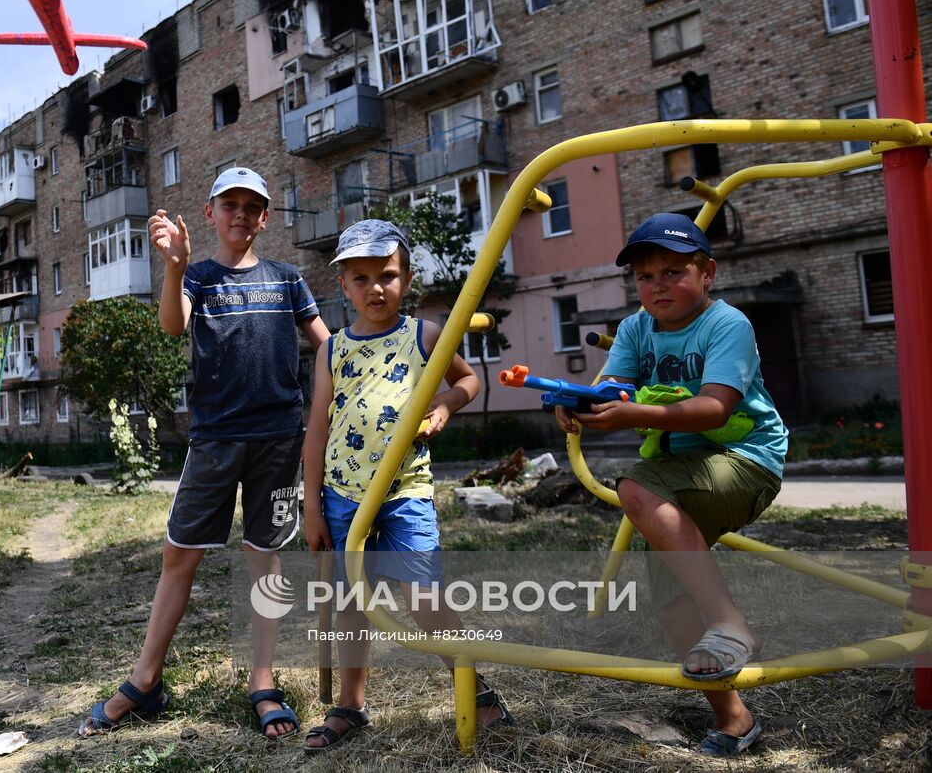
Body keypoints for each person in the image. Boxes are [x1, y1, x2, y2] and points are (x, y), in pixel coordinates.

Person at [78, 167, 329, 740]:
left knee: (265, 560)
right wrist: (173, 265)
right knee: (179, 555)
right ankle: (145, 681)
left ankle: (262, 683)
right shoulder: (198, 277)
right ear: (211, 212)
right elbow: (172, 327)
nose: (240, 214)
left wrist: (382, 355)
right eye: (229, 204)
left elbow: (329, 349)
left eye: (252, 206)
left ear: (265, 217)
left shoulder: (288, 279)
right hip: (214, 439)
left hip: (280, 441)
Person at [554, 212, 787, 758]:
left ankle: (732, 623)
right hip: (683, 476)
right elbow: (614, 382)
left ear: (708, 271)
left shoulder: (727, 325)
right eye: (646, 276)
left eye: (673, 271)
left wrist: (632, 413)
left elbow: (713, 408)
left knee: (636, 487)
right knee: (672, 604)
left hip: (745, 460)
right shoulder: (637, 327)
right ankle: (734, 719)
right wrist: (581, 402)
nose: (658, 285)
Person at [300, 219, 510, 755]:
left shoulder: (425, 336)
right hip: (343, 494)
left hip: (404, 493)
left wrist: (443, 404)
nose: (376, 287)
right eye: (362, 277)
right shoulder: (332, 351)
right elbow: (318, 429)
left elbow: (468, 380)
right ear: (343, 286)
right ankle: (349, 704)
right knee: (350, 601)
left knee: (424, 597)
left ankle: (475, 689)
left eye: (387, 275)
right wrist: (313, 507)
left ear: (407, 278)